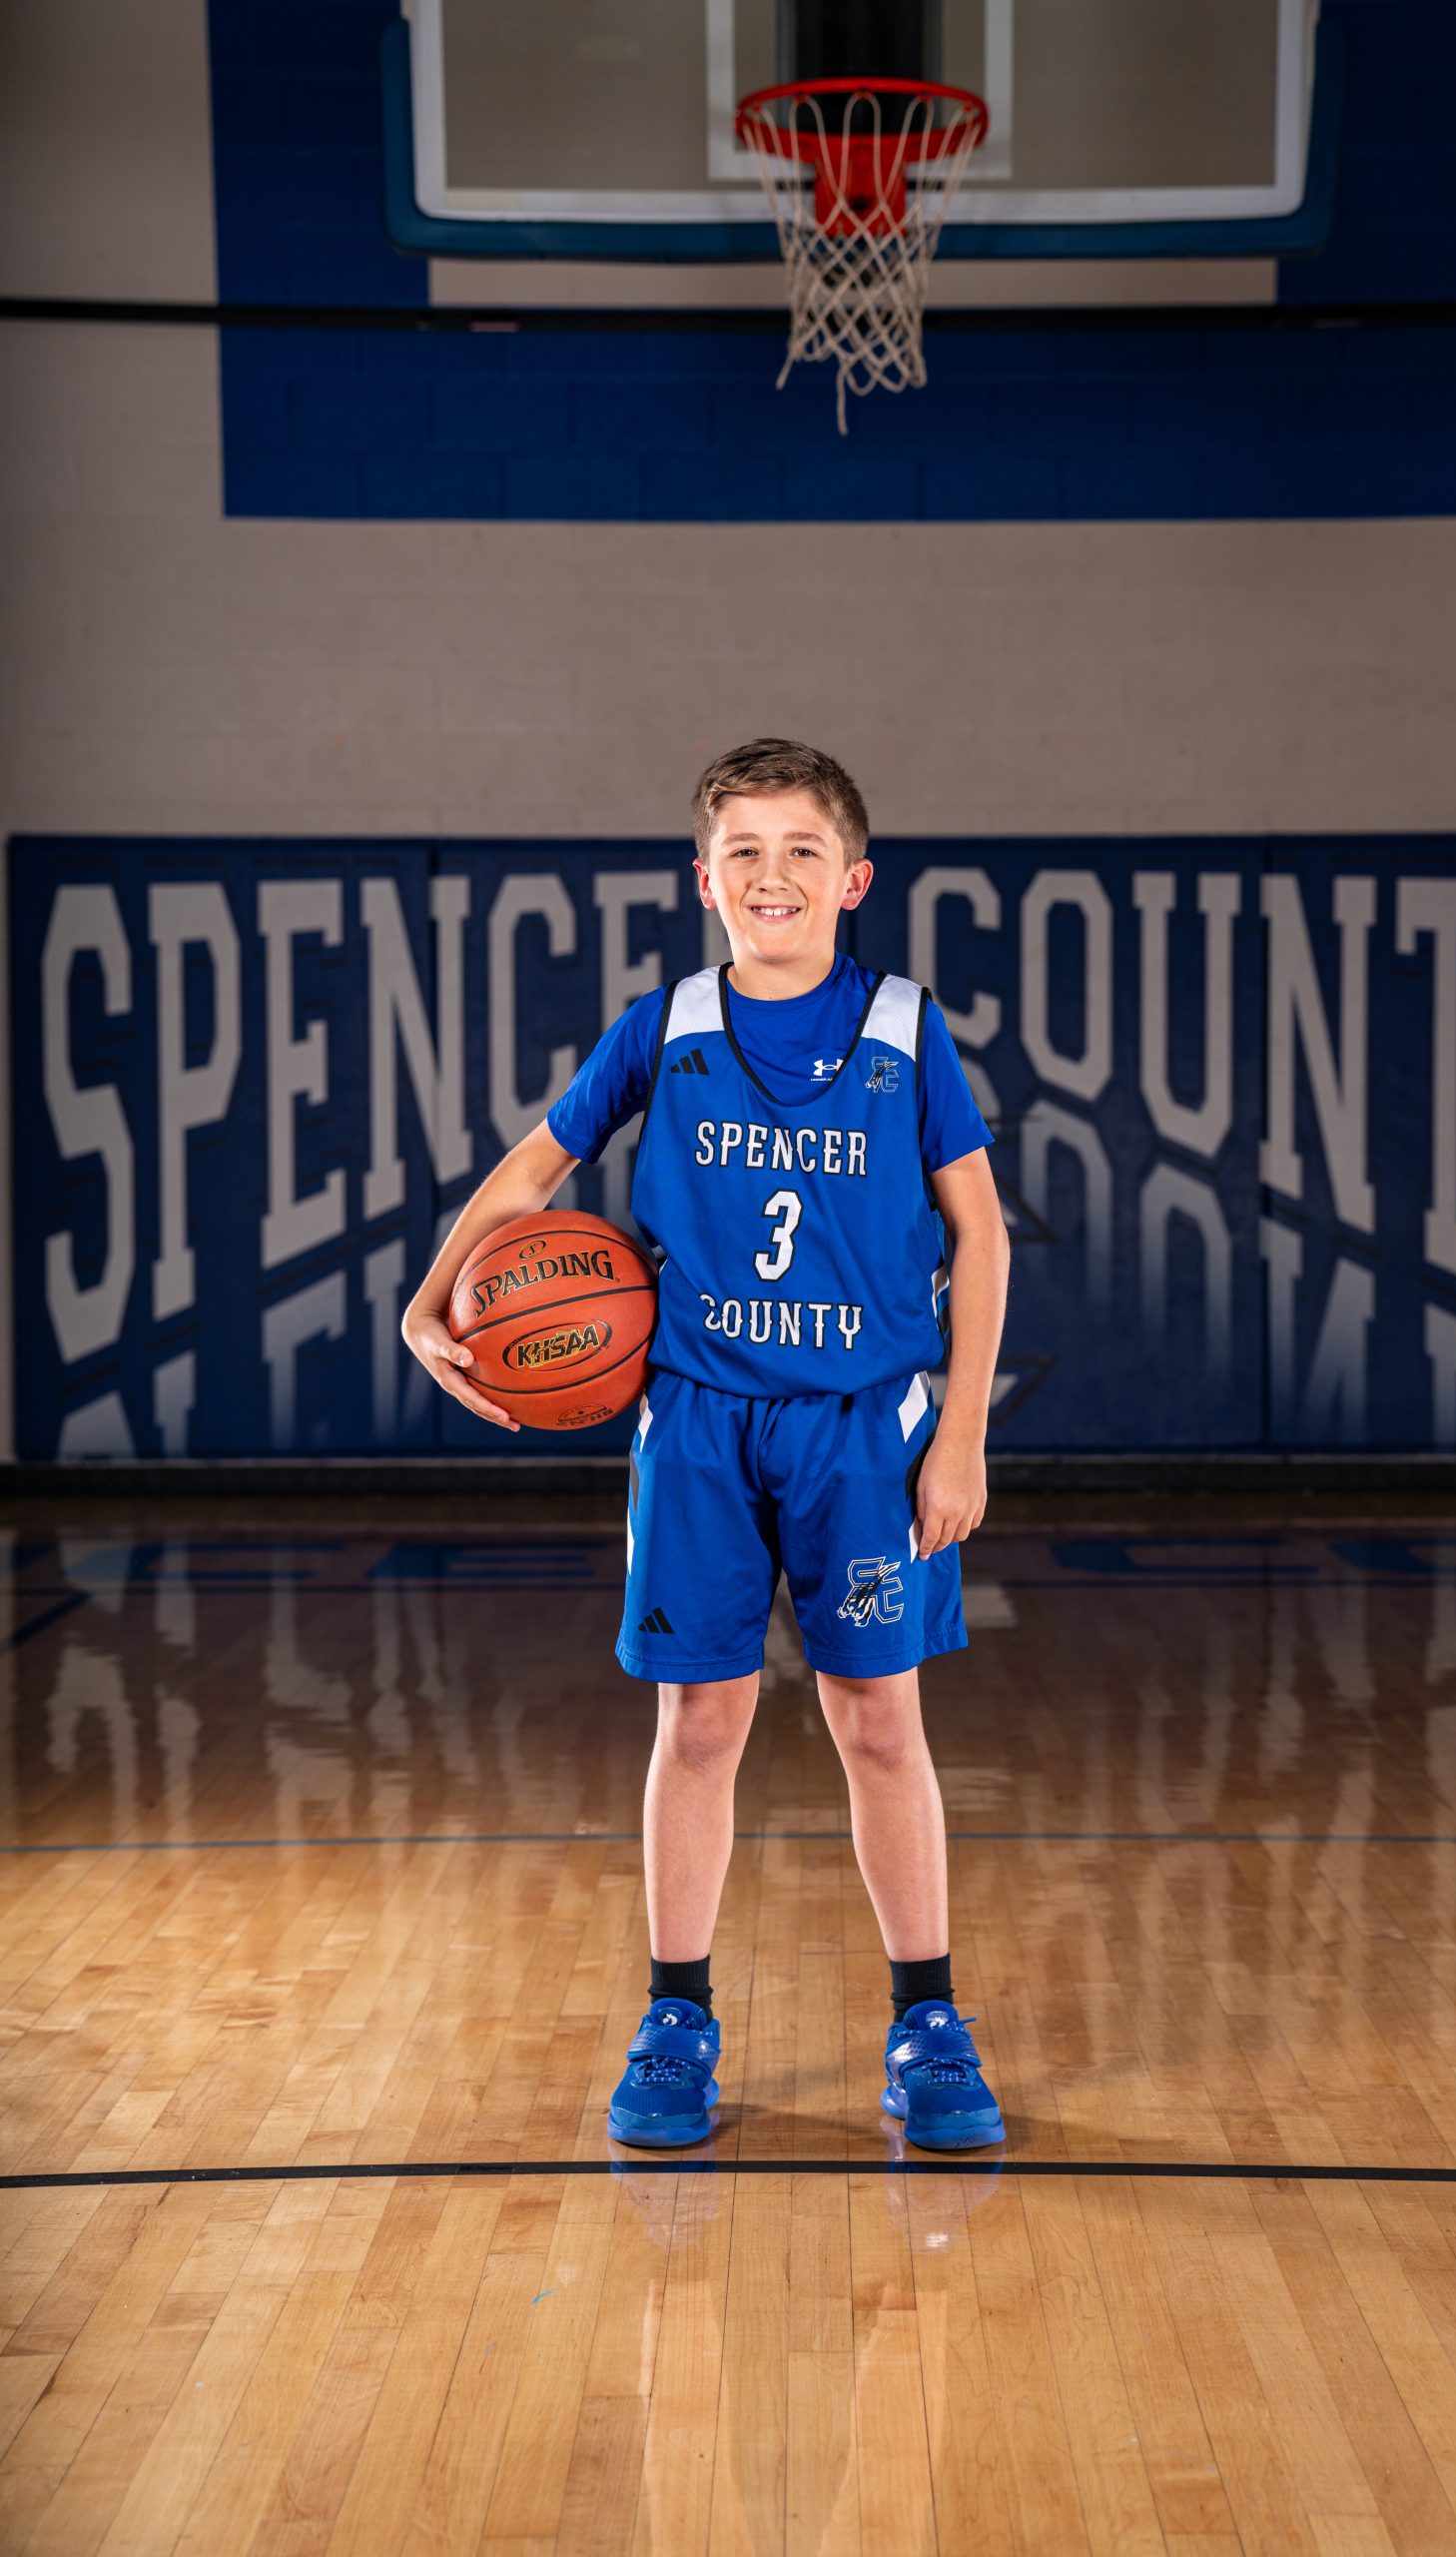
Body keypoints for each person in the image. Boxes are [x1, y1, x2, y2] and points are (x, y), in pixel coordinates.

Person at [401, 738, 1010, 2149]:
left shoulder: (906, 1031)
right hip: (698, 1427)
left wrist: (964, 1434)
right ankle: (675, 2020)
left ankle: (928, 2022)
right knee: (699, 1723)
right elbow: (534, 1170)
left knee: (880, 1722)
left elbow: (979, 1234)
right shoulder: (663, 1027)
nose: (770, 874)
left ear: (853, 880)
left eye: (801, 850)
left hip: (862, 1429)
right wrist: (431, 1299)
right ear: (702, 880)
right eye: (743, 851)